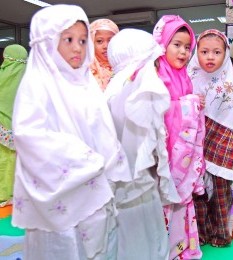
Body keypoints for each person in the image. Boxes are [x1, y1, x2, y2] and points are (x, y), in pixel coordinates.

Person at [11, 5, 131, 259]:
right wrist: (86, 158)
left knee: (100, 245)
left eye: (82, 40)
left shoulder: (85, 82)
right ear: (47, 41)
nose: (78, 48)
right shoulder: (38, 83)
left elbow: (103, 129)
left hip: (96, 189)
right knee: (65, 247)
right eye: (68, 39)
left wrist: (109, 161)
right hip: (62, 192)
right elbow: (30, 136)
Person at [105, 28, 181, 260]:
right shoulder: (139, 89)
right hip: (135, 184)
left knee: (127, 238)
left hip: (123, 182)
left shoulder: (115, 86)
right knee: (142, 239)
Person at [188, 29, 233, 247]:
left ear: (225, 54)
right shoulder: (190, 77)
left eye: (216, 52)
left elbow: (229, 115)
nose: (210, 57)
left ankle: (221, 234)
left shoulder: (226, 80)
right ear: (196, 52)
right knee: (198, 190)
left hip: (222, 138)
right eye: (204, 51)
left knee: (220, 190)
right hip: (194, 142)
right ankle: (202, 233)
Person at [153, 15, 205, 259]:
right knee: (164, 201)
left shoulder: (184, 76)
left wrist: (192, 103)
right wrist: (187, 104)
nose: (183, 52)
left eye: (187, 47)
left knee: (181, 204)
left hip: (182, 155)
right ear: (162, 43)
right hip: (164, 155)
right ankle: (163, 250)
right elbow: (158, 111)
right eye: (177, 45)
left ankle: (181, 247)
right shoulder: (155, 74)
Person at [0, 44, 27, 206]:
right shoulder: (30, 78)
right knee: (17, 161)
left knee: (2, 160)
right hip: (21, 128)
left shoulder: (2, 76)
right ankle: (16, 192)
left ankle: (3, 192)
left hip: (1, 127)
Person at [90, 18, 119, 91]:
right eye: (99, 41)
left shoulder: (125, 67)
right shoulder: (85, 70)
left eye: (110, 40)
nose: (106, 46)